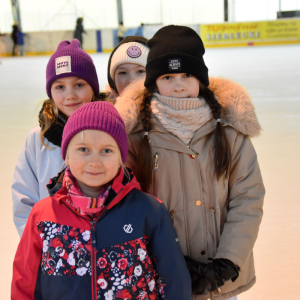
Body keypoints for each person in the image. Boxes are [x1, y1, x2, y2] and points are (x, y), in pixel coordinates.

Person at [115, 25, 265, 300]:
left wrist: (227, 262)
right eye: (168, 76)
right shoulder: (135, 138)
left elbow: (248, 196)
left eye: (187, 74)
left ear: (201, 77)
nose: (179, 84)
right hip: (161, 275)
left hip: (221, 277)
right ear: (153, 81)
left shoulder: (229, 132)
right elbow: (127, 207)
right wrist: (166, 261)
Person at [11, 101, 192, 300]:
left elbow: (174, 279)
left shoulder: (148, 210)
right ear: (67, 156)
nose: (94, 162)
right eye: (83, 149)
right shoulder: (43, 214)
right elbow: (24, 281)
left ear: (121, 158)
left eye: (106, 151)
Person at [12, 39, 100, 237]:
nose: (70, 95)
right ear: (50, 92)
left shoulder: (110, 134)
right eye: (59, 87)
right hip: (53, 250)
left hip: (100, 248)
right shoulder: (38, 139)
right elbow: (23, 198)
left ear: (93, 87)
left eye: (79, 84)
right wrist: (38, 244)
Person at [106, 36, 149, 103]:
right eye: (123, 73)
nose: (132, 80)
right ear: (113, 81)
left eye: (140, 71)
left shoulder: (168, 111)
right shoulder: (105, 112)